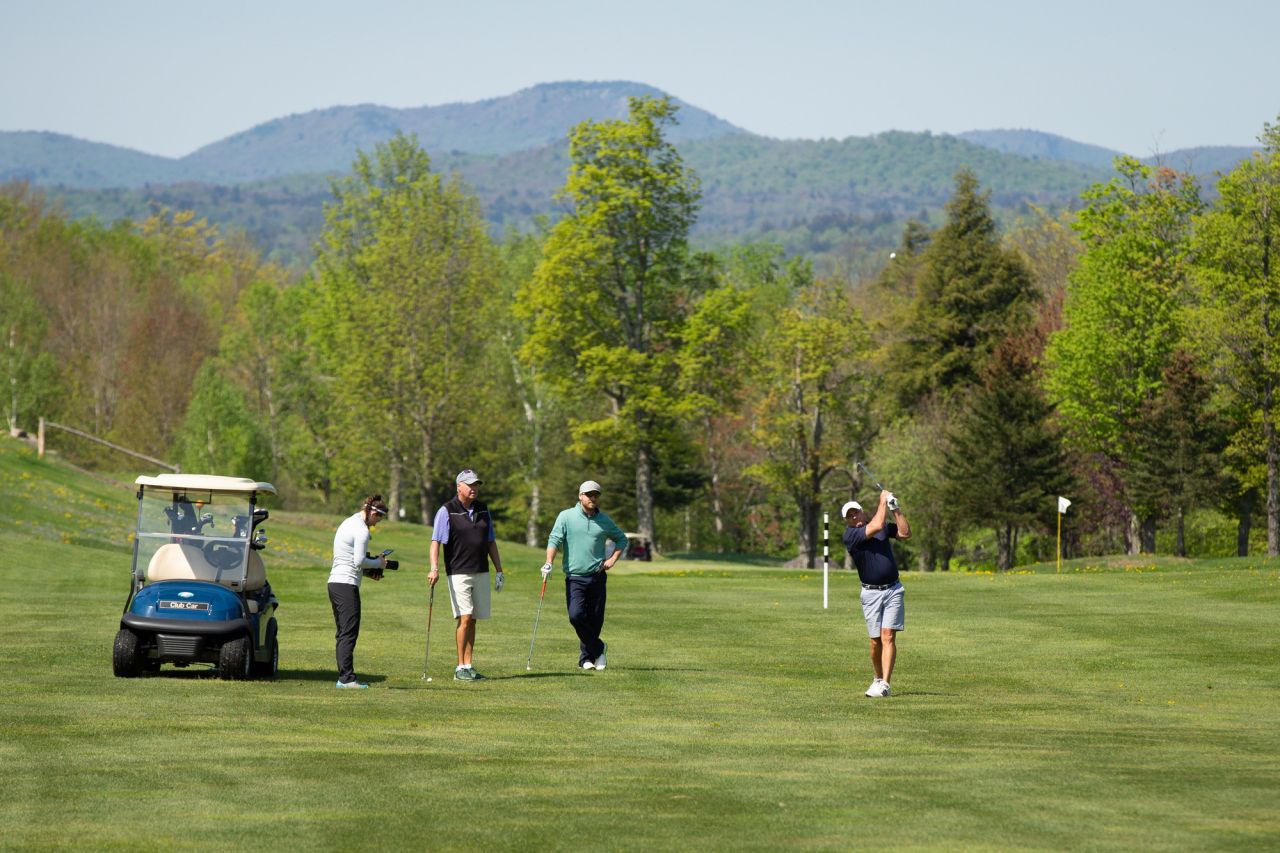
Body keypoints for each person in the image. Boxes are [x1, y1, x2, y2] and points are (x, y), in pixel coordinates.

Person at [542, 480, 628, 671]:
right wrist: (549, 562)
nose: (593, 498)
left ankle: (586, 659)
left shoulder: (604, 521)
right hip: (575, 577)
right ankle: (599, 647)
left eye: (596, 495)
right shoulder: (566, 516)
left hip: (597, 577)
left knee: (595, 619)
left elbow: (621, 539)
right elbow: (554, 539)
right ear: (580, 496)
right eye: (589, 494)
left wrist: (613, 559)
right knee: (576, 615)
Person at [429, 469, 504, 681]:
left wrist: (499, 570)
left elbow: (490, 541)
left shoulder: (483, 510)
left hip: (481, 570)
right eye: (470, 485)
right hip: (458, 572)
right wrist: (434, 568)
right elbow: (436, 542)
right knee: (465, 617)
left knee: (474, 620)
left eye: (476, 485)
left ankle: (468, 665)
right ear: (459, 486)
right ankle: (459, 667)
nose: (474, 488)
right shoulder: (447, 510)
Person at [842, 489, 911, 698]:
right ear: (848, 522)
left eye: (856, 513)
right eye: (850, 516)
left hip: (893, 590)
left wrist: (895, 509)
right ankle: (878, 678)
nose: (854, 517)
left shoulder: (880, 527)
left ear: (862, 512)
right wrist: (882, 499)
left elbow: (905, 533)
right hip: (871, 594)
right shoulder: (851, 536)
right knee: (875, 641)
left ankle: (885, 685)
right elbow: (877, 525)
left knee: (888, 636)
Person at [328, 495, 389, 689]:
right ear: (373, 512)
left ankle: (344, 677)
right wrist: (379, 563)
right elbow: (358, 561)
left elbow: (350, 558)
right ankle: (346, 679)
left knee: (343, 633)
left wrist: (371, 572)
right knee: (348, 633)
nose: (376, 523)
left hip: (335, 583)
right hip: (346, 584)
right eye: (378, 519)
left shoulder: (349, 521)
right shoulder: (361, 530)